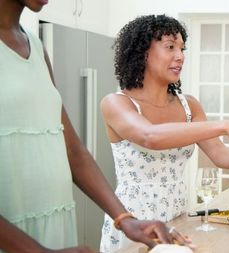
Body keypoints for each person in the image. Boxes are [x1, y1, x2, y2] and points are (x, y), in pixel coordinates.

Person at [0, 0, 191, 252]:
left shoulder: (36, 48)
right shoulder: (119, 102)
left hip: (54, 220)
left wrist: (125, 220)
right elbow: (149, 136)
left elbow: (72, 149)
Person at [99, 14, 229, 251]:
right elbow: (150, 136)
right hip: (134, 225)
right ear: (143, 52)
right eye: (170, 47)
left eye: (182, 48)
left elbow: (218, 153)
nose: (180, 56)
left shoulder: (189, 105)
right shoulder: (117, 103)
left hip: (178, 222)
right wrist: (227, 125)